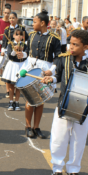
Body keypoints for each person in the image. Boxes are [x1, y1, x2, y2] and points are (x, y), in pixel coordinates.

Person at [42, 30, 88, 175]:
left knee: (78, 140)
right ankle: (57, 168)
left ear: (85, 46)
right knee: (59, 138)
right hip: (63, 105)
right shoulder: (63, 59)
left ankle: (73, 169)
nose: (71, 47)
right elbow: (57, 76)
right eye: (70, 43)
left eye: (75, 44)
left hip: (83, 109)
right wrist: (50, 78)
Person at [20, 9, 61, 138]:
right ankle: (27, 126)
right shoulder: (31, 35)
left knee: (40, 100)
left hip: (45, 69)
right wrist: (23, 55)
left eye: (35, 22)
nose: (33, 24)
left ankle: (36, 126)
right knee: (29, 98)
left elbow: (59, 58)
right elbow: (29, 52)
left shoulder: (54, 38)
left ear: (43, 23)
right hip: (31, 67)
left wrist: (52, 70)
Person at [1, 12, 29, 98]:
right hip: (9, 50)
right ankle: (8, 91)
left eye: (13, 18)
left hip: (20, 51)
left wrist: (23, 47)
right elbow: (4, 41)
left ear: (16, 19)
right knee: (8, 70)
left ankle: (16, 92)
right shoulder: (7, 29)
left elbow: (27, 39)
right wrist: (3, 50)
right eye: (10, 18)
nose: (11, 20)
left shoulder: (21, 28)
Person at [2, 28, 27, 111]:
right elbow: (9, 56)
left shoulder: (25, 45)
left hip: (21, 66)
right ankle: (11, 101)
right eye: (17, 34)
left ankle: (17, 102)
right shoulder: (10, 44)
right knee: (11, 86)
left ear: (23, 37)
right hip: (12, 66)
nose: (18, 36)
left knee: (19, 86)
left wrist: (22, 52)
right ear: (13, 36)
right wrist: (14, 49)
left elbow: (27, 55)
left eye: (20, 34)